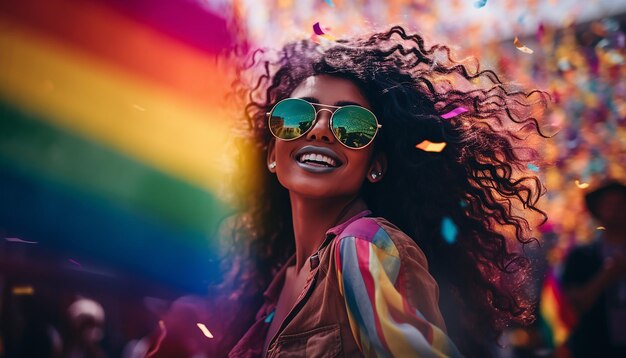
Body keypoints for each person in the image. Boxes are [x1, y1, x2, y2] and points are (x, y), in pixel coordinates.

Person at [176, 25, 548, 357]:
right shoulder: (280, 281)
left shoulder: (364, 248)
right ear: (273, 154)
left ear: (376, 166)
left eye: (352, 123)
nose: (320, 130)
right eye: (295, 116)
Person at [561, 181, 626, 357]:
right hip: (595, 346)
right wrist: (607, 275)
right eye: (609, 204)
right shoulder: (581, 256)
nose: (616, 211)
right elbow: (576, 304)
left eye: (621, 204)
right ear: (598, 210)